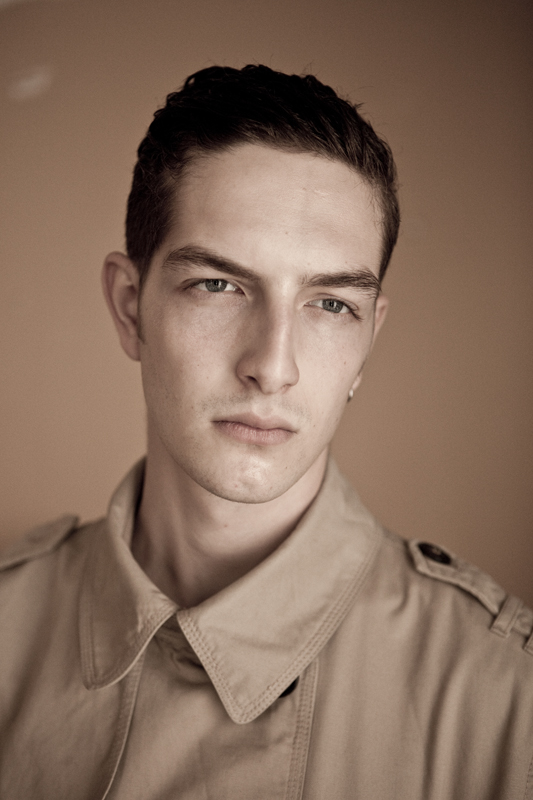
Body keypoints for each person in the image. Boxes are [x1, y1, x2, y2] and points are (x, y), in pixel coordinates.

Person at [0, 64, 532, 800]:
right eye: (218, 285)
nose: (272, 367)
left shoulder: (505, 696)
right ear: (129, 307)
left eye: (331, 304)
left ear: (368, 340)